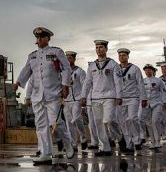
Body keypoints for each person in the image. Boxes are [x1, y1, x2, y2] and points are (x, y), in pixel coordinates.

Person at [12, 27, 72, 164]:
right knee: (40, 125)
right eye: (37, 38)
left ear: (48, 38)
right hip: (37, 95)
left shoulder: (56, 52)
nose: (39, 40)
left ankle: (67, 142)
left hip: (53, 93)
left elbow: (66, 69)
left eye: (42, 37)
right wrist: (18, 83)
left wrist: (65, 86)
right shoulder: (32, 56)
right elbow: (26, 70)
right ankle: (46, 153)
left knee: (55, 122)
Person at [81, 40, 123, 157]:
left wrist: (119, 96)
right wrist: (83, 96)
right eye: (97, 47)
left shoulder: (113, 64)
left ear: (106, 49)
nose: (98, 49)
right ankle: (105, 148)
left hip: (110, 96)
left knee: (109, 120)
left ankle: (119, 136)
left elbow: (118, 82)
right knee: (99, 122)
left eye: (101, 47)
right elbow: (87, 83)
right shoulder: (92, 66)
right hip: (96, 97)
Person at [115, 48, 147, 153]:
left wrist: (143, 98)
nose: (122, 57)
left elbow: (141, 84)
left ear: (128, 56)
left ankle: (137, 140)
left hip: (133, 97)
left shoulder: (135, 69)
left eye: (124, 55)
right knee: (124, 122)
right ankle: (129, 143)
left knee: (133, 118)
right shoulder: (116, 69)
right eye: (120, 56)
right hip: (121, 99)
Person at [63, 50, 88, 151]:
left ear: (74, 59)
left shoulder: (80, 71)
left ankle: (83, 137)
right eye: (67, 57)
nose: (68, 59)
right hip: (67, 100)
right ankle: (73, 144)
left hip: (77, 99)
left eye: (70, 57)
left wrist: (83, 97)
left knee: (76, 119)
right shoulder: (63, 72)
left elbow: (84, 85)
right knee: (69, 123)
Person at [141, 64, 166, 150]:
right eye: (146, 70)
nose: (148, 71)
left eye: (149, 70)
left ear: (153, 71)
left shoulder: (158, 81)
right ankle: (152, 141)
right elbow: (140, 92)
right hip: (146, 104)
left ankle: (157, 141)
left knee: (155, 121)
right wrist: (141, 101)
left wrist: (165, 102)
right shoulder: (142, 81)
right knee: (148, 123)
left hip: (157, 103)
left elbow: (163, 91)